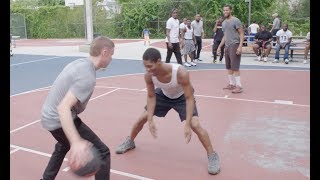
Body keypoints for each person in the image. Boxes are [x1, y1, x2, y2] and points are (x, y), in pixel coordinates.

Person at [115, 47, 221, 175]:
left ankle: (212, 155)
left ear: (159, 61)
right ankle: (130, 141)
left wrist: (187, 124)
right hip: (163, 95)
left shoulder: (180, 72)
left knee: (195, 125)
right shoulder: (149, 76)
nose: (147, 70)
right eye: (145, 67)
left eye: (150, 66)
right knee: (142, 117)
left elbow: (189, 98)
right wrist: (150, 119)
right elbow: (151, 96)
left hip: (182, 97)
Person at [40, 36, 114, 180]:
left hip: (48, 116)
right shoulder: (87, 76)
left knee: (62, 145)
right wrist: (75, 142)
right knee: (102, 151)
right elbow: (63, 108)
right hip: (57, 119)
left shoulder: (80, 63)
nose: (111, 58)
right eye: (111, 54)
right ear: (104, 52)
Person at [217, 4, 244, 94]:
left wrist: (240, 46)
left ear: (231, 10)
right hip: (227, 46)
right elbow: (225, 36)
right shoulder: (224, 23)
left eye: (227, 10)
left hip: (235, 45)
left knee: (235, 67)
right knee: (228, 67)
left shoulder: (236, 20)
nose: (225, 12)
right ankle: (232, 84)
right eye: (224, 10)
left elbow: (241, 34)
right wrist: (220, 46)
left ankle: (239, 86)